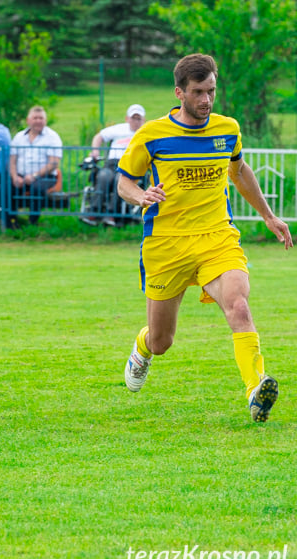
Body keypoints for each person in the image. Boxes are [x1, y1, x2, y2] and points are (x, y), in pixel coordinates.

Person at [117, 53, 293, 423]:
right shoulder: (152, 134)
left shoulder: (227, 129)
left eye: (211, 90)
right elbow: (124, 182)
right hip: (167, 244)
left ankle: (254, 389)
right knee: (163, 341)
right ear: (179, 92)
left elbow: (239, 171)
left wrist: (268, 215)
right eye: (198, 92)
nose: (206, 100)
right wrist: (141, 196)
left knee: (239, 305)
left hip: (217, 237)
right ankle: (142, 347)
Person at [81, 104, 146, 227]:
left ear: (143, 120)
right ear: (127, 118)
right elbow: (99, 136)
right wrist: (95, 151)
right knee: (103, 176)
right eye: (133, 118)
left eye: (139, 118)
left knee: (120, 181)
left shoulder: (145, 133)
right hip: (112, 163)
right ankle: (94, 211)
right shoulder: (119, 129)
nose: (136, 121)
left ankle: (112, 214)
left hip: (131, 166)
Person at [8, 106, 63, 227]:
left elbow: (54, 163)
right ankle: (10, 222)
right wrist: (15, 177)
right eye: (35, 118)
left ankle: (32, 222)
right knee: (4, 187)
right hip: (20, 176)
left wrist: (34, 175)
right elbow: (12, 160)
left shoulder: (52, 137)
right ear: (28, 120)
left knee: (36, 188)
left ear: (45, 120)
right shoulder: (19, 137)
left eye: (41, 118)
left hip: (45, 177)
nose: (38, 121)